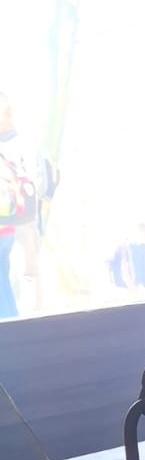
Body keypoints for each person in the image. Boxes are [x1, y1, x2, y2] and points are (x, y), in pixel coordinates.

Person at [0, 94, 47, 321]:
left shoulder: (21, 145)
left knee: (23, 268)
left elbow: (37, 183)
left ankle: (27, 316)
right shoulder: (24, 145)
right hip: (14, 221)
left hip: (15, 221)